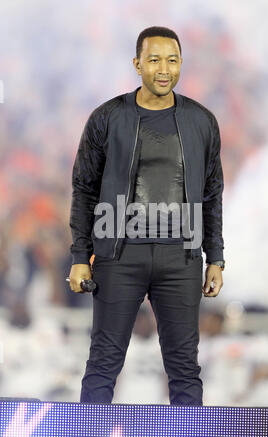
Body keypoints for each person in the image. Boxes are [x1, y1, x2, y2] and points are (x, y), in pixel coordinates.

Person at [68, 26, 225, 406]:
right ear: (137, 64)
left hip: (181, 259)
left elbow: (211, 194)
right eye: (154, 60)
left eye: (172, 60)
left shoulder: (202, 122)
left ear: (181, 64)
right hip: (118, 256)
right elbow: (84, 189)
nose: (163, 69)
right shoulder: (107, 118)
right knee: (104, 364)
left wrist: (215, 258)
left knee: (185, 368)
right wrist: (79, 258)